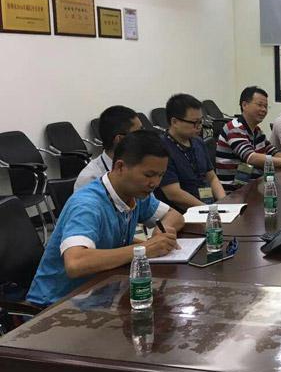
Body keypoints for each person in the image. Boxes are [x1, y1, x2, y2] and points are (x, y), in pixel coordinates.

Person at [26, 130, 185, 307]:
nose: (154, 183)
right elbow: (76, 263)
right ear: (120, 167)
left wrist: (162, 232)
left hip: (102, 291)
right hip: (58, 304)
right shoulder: (88, 204)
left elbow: (175, 216)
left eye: (160, 175)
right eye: (148, 175)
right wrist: (145, 248)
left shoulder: (136, 193)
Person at [215, 86, 281, 185]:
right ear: (244, 105)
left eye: (266, 106)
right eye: (260, 105)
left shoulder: (257, 131)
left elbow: (274, 153)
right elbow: (251, 157)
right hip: (236, 189)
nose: (264, 110)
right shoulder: (234, 128)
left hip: (255, 184)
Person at [156, 94, 226, 212]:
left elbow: (212, 177)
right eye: (195, 122)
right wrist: (207, 210)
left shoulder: (198, 142)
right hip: (183, 214)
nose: (199, 127)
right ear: (175, 122)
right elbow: (174, 194)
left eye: (201, 121)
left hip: (209, 207)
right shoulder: (161, 148)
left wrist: (224, 202)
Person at [74, 106, 142, 191]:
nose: (145, 138)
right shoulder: (90, 179)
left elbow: (150, 200)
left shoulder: (140, 166)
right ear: (120, 140)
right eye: (139, 134)